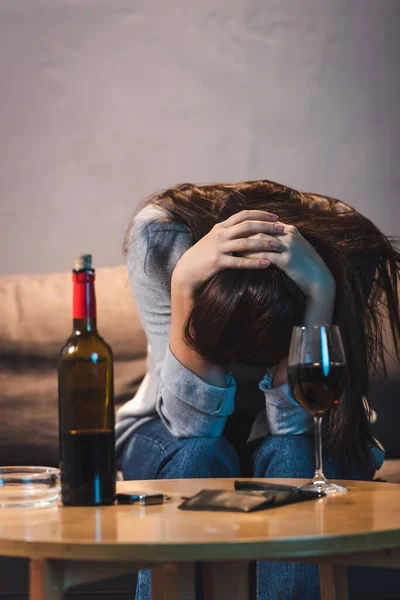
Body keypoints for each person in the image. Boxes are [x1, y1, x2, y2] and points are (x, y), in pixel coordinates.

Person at [116, 179, 400, 600]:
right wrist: (186, 284)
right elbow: (190, 425)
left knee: (295, 458)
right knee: (199, 456)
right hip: (168, 431)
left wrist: (320, 291)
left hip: (307, 438)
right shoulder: (162, 238)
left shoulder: (342, 243)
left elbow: (298, 423)